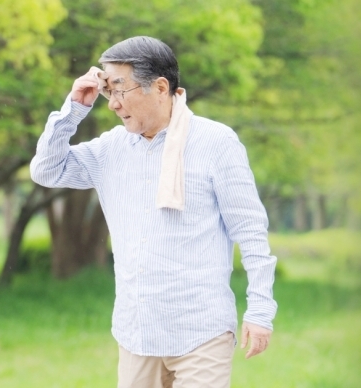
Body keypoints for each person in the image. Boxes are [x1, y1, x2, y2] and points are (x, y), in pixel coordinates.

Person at [30, 36, 277, 388]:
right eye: (107, 91)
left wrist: (260, 310)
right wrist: (74, 108)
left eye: (120, 90)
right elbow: (46, 170)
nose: (113, 104)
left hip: (201, 331)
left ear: (160, 87)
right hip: (137, 333)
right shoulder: (111, 148)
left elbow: (251, 231)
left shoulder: (216, 143)